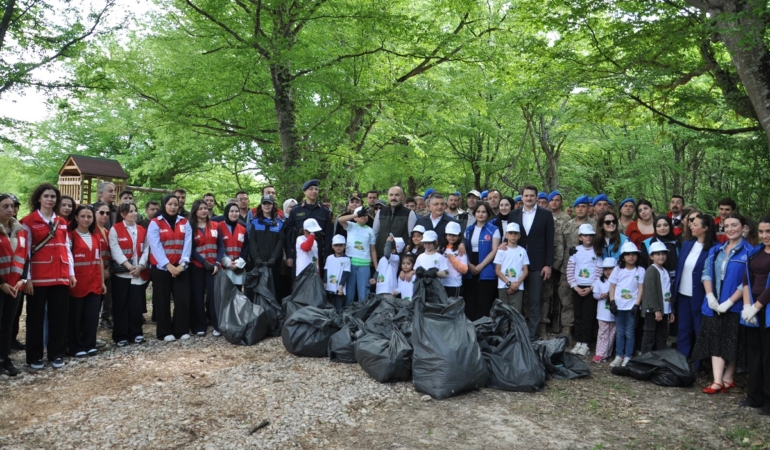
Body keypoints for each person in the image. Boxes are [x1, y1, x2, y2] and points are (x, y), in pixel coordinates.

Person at [693, 212, 751, 395]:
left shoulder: (750, 252)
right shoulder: (716, 250)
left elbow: (748, 281)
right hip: (714, 304)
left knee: (733, 341)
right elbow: (706, 274)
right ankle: (717, 380)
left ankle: (728, 377)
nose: (730, 229)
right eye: (726, 226)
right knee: (715, 340)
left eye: (734, 225)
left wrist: (730, 301)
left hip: (735, 305)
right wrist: (710, 296)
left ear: (743, 228)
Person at [20, 183, 75, 370]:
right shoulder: (28, 222)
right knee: (35, 318)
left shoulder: (62, 222)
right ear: (38, 198)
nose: (50, 199)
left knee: (59, 317)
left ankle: (56, 354)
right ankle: (34, 356)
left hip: (60, 275)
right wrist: (26, 278)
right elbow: (24, 251)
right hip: (38, 277)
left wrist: (71, 273)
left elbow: (66, 248)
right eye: (46, 196)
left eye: (53, 196)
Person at [509, 184, 555, 340]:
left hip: (537, 264)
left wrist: (548, 264)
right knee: (517, 300)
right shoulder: (514, 214)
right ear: (522, 197)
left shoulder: (546, 215)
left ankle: (532, 335)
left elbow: (550, 241)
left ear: (536, 197)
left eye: (531, 195)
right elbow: (509, 236)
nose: (529, 198)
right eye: (526, 195)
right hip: (516, 264)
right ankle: (517, 332)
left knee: (535, 301)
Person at [147, 194, 193, 342]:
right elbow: (155, 246)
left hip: (181, 268)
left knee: (182, 300)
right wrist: (167, 265)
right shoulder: (155, 223)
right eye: (170, 204)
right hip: (161, 268)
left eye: (175, 204)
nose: (173, 207)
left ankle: (181, 329)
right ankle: (164, 331)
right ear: (164, 205)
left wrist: (182, 265)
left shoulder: (185, 222)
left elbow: (188, 244)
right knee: (162, 300)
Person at [673, 212, 716, 365]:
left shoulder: (714, 249)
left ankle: (700, 364)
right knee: (683, 330)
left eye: (695, 224)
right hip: (683, 294)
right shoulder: (687, 244)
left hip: (701, 295)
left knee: (699, 330)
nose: (691, 226)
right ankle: (681, 362)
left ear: (705, 228)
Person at [739, 215, 770, 413]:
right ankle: (754, 396)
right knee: (755, 354)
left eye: (768, 231)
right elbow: (746, 278)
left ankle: (769, 401)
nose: (765, 235)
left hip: (766, 311)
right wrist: (747, 305)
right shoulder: (756, 252)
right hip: (753, 310)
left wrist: (756, 306)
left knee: (768, 356)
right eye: (761, 231)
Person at [109, 202, 150, 346]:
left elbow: (146, 249)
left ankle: (136, 333)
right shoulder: (115, 229)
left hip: (138, 273)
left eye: (135, 210)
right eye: (130, 211)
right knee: (121, 305)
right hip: (122, 274)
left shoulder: (142, 229)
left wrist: (140, 266)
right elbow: (115, 250)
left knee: (136, 305)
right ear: (122, 214)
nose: (134, 213)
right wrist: (128, 266)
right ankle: (121, 335)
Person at [67, 205, 106, 357]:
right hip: (77, 282)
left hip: (94, 282)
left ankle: (89, 343)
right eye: (82, 216)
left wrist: (102, 281)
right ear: (76, 217)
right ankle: (76, 346)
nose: (86, 219)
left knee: (92, 315)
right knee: (76, 316)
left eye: (89, 217)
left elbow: (100, 259)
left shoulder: (96, 236)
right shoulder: (71, 236)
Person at [555, 195, 596, 337]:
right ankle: (567, 329)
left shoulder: (594, 225)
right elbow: (560, 245)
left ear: (588, 208)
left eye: (583, 206)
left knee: (588, 304)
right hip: (568, 269)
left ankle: (587, 333)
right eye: (577, 206)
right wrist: (558, 265)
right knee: (566, 300)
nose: (580, 209)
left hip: (589, 272)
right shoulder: (568, 225)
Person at [0, 194, 26, 376]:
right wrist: (1, 284)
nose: (11, 209)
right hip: (1, 285)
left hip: (15, 284)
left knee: (7, 324)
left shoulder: (19, 230)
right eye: (5, 206)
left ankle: (4, 358)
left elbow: (25, 257)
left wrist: (22, 279)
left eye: (12, 206)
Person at [607, 242, 645, 367]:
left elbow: (640, 288)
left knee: (630, 332)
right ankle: (619, 355)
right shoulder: (618, 270)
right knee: (620, 331)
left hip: (631, 306)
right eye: (628, 254)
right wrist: (612, 302)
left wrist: (637, 305)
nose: (631, 257)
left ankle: (628, 356)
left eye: (633, 254)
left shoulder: (640, 270)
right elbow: (612, 286)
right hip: (619, 306)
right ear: (623, 257)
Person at [284, 180, 335, 274]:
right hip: (300, 249)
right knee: (298, 279)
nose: (314, 191)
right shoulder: (296, 210)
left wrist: (327, 255)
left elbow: (329, 235)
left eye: (316, 189)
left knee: (317, 278)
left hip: (319, 248)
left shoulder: (324, 211)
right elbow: (288, 233)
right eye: (310, 189)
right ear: (304, 191)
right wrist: (289, 255)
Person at [568, 223, 601, 356]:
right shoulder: (575, 251)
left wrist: (592, 287)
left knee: (588, 316)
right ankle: (578, 341)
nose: (588, 237)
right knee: (578, 316)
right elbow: (570, 269)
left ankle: (586, 343)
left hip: (590, 288)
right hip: (577, 287)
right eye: (585, 235)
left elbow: (599, 271)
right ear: (580, 237)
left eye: (591, 235)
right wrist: (574, 286)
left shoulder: (597, 252)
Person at [463, 203, 500, 321]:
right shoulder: (468, 230)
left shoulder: (494, 230)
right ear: (474, 213)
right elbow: (463, 249)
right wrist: (468, 264)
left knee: (484, 302)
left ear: (488, 214)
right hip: (469, 267)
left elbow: (495, 250)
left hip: (487, 267)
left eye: (483, 212)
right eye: (478, 211)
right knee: (470, 301)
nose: (480, 214)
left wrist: (482, 265)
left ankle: (483, 330)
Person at [189, 200, 220, 336]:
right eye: (200, 208)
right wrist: (203, 262)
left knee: (214, 296)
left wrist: (218, 263)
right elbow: (191, 249)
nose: (204, 211)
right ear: (195, 211)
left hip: (213, 267)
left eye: (205, 208)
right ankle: (199, 325)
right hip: (197, 266)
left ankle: (217, 325)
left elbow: (221, 246)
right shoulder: (190, 227)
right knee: (198, 295)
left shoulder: (215, 225)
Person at [337, 206, 376, 305]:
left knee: (364, 291)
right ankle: (347, 312)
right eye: (361, 215)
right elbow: (340, 219)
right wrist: (357, 214)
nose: (363, 216)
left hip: (364, 264)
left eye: (365, 215)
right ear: (355, 217)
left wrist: (377, 268)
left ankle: (362, 312)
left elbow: (373, 250)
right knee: (349, 290)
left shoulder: (370, 231)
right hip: (350, 264)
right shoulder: (351, 226)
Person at [248, 195, 285, 299]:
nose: (267, 206)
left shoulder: (279, 223)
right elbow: (252, 240)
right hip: (258, 262)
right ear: (261, 205)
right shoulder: (254, 222)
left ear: (273, 206)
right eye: (265, 203)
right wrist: (256, 258)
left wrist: (274, 257)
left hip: (273, 263)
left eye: (269, 203)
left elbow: (280, 241)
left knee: (275, 288)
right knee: (257, 288)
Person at [640, 242, 675, 352]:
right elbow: (650, 291)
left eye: (663, 254)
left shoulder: (665, 271)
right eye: (658, 254)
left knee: (662, 335)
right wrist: (656, 310)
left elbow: (668, 291)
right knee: (649, 335)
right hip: (653, 310)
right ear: (651, 256)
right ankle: (645, 360)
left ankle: (660, 359)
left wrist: (671, 311)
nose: (661, 256)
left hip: (664, 310)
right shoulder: (652, 270)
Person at [373, 186, 418, 260]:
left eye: (397, 195)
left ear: (402, 197)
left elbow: (412, 236)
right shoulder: (381, 213)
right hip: (380, 255)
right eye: (391, 195)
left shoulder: (409, 213)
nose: (393, 198)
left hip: (400, 256)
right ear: (388, 196)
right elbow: (375, 234)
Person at [493, 223, 529, 313]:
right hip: (503, 286)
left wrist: (517, 284)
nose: (513, 235)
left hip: (518, 287)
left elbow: (525, 271)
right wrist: (509, 283)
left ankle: (514, 328)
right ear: (506, 235)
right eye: (511, 233)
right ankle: (504, 328)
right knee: (503, 313)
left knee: (516, 313)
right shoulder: (501, 250)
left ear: (519, 236)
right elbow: (497, 270)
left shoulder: (522, 251)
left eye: (516, 233)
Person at [217, 203, 249, 287]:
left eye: (236, 211)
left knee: (237, 295)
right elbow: (217, 246)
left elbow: (246, 247)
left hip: (238, 267)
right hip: (223, 266)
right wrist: (226, 262)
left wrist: (239, 263)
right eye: (231, 211)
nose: (234, 214)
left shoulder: (243, 229)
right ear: (227, 212)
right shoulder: (218, 227)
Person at [93, 202, 113, 330]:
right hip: (95, 273)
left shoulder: (107, 231)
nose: (105, 216)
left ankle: (103, 319)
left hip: (107, 270)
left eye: (107, 213)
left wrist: (108, 269)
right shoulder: (91, 230)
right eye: (101, 212)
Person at [592, 257, 617, 363]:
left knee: (612, 334)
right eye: (606, 269)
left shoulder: (618, 282)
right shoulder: (600, 281)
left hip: (614, 314)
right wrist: (600, 296)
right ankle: (599, 353)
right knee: (603, 333)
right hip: (602, 313)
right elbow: (595, 294)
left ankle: (607, 353)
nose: (608, 271)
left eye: (611, 269)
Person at [441, 222, 468, 297]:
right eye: (449, 235)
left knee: (453, 307)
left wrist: (452, 258)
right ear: (446, 236)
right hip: (441, 283)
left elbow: (464, 270)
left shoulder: (461, 250)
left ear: (459, 236)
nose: (452, 237)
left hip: (454, 284)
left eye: (454, 235)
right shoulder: (441, 248)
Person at [325, 235, 351, 312]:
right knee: (327, 309)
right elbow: (326, 271)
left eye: (341, 245)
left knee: (338, 309)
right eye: (336, 245)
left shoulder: (346, 259)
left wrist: (341, 287)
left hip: (338, 290)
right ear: (332, 246)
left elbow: (345, 274)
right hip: (328, 288)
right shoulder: (329, 258)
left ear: (344, 246)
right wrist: (324, 284)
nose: (338, 247)